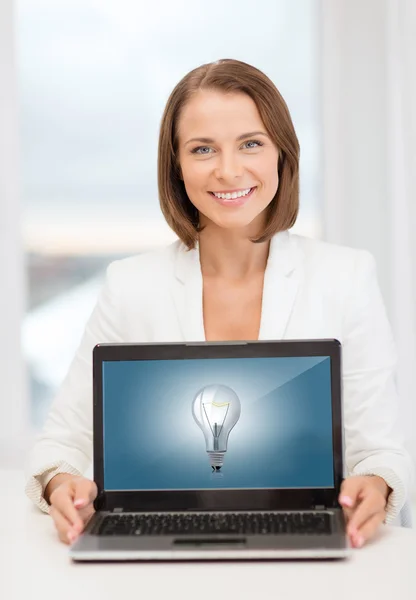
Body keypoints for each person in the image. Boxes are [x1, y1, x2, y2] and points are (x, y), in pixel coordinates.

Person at [25, 58, 412, 548]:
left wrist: (375, 484)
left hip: (302, 545)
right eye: (202, 148)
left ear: (281, 154)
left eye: (251, 143)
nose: (229, 171)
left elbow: (379, 450)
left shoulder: (347, 276)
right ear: (177, 166)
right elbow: (60, 444)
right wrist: (63, 485)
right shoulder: (130, 286)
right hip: (162, 547)